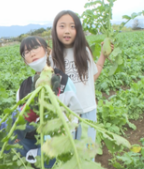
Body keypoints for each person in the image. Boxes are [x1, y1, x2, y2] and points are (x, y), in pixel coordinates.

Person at [15, 36, 83, 168]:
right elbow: (19, 115)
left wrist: (69, 129)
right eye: (26, 52)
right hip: (29, 140)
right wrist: (17, 132)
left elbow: (74, 110)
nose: (32, 53)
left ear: (48, 50)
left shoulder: (63, 80)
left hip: (56, 139)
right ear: (25, 60)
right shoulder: (24, 86)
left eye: (35, 47)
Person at [50, 10, 113, 144]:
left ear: (78, 30)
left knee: (87, 154)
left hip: (87, 110)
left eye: (72, 26)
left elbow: (91, 78)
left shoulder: (84, 52)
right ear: (55, 29)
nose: (67, 31)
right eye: (62, 26)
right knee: (68, 154)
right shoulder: (52, 57)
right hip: (65, 113)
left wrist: (103, 55)